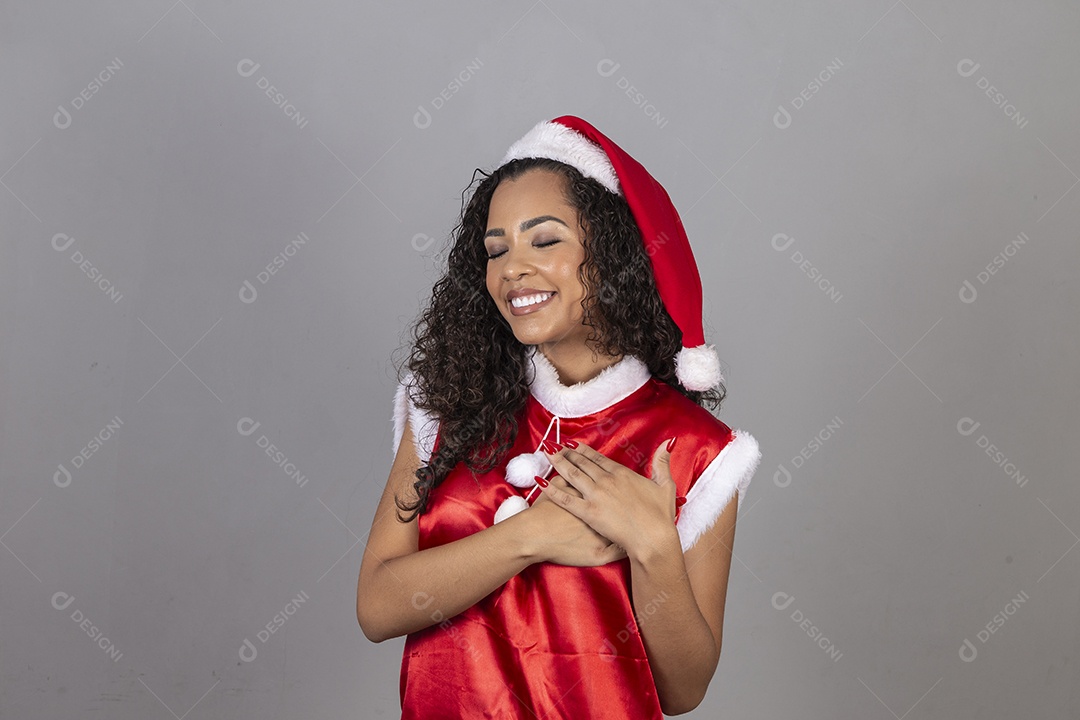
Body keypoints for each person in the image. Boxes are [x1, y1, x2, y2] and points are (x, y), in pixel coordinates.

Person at [356, 115, 762, 718]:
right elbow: (379, 605)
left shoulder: (698, 449)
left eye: (544, 241)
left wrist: (652, 546)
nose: (511, 269)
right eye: (496, 250)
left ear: (612, 252)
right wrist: (530, 537)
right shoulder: (445, 402)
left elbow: (683, 691)